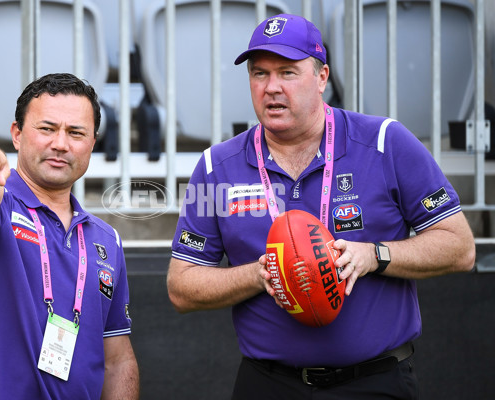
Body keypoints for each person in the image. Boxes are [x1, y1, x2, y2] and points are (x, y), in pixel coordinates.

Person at [167, 14, 475, 399]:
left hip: (375, 382)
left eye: (288, 72)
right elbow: (182, 287)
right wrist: (262, 275)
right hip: (268, 383)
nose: (272, 87)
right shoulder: (217, 166)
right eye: (259, 73)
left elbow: (460, 247)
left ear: (322, 76)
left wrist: (373, 255)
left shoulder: (385, 142)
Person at [0, 73, 139, 399]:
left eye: (76, 132)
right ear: (17, 134)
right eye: (47, 129)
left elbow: (117, 360)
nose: (60, 144)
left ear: (92, 143)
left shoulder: (106, 240)